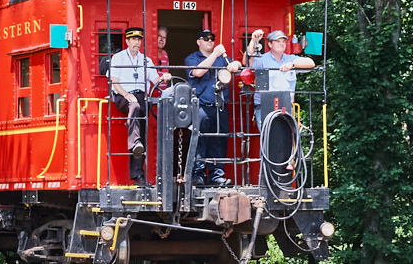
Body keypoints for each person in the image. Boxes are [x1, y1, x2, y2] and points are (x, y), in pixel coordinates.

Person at [109, 27, 172, 185]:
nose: (137, 43)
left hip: (139, 96)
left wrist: (164, 78)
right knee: (135, 107)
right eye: (133, 40)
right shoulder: (118, 58)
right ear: (127, 41)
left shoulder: (146, 60)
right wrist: (126, 95)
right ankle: (134, 142)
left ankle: (138, 176)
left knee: (142, 129)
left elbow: (155, 79)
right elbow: (115, 82)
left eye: (139, 40)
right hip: (122, 95)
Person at [185, 30, 242, 187]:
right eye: (206, 39)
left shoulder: (221, 58)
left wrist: (236, 64)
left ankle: (217, 175)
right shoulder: (192, 58)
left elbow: (234, 66)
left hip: (220, 105)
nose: (210, 41)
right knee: (199, 140)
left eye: (212, 39)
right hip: (201, 107)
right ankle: (198, 174)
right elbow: (197, 71)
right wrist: (215, 54)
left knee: (219, 140)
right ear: (199, 41)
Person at [246, 29, 315, 116]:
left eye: (283, 41)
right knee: (268, 129)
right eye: (278, 41)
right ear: (270, 44)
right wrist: (253, 41)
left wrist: (292, 64)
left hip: (285, 106)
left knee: (286, 130)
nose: (281, 43)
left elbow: (311, 63)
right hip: (264, 105)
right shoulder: (262, 59)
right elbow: (247, 62)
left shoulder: (290, 59)